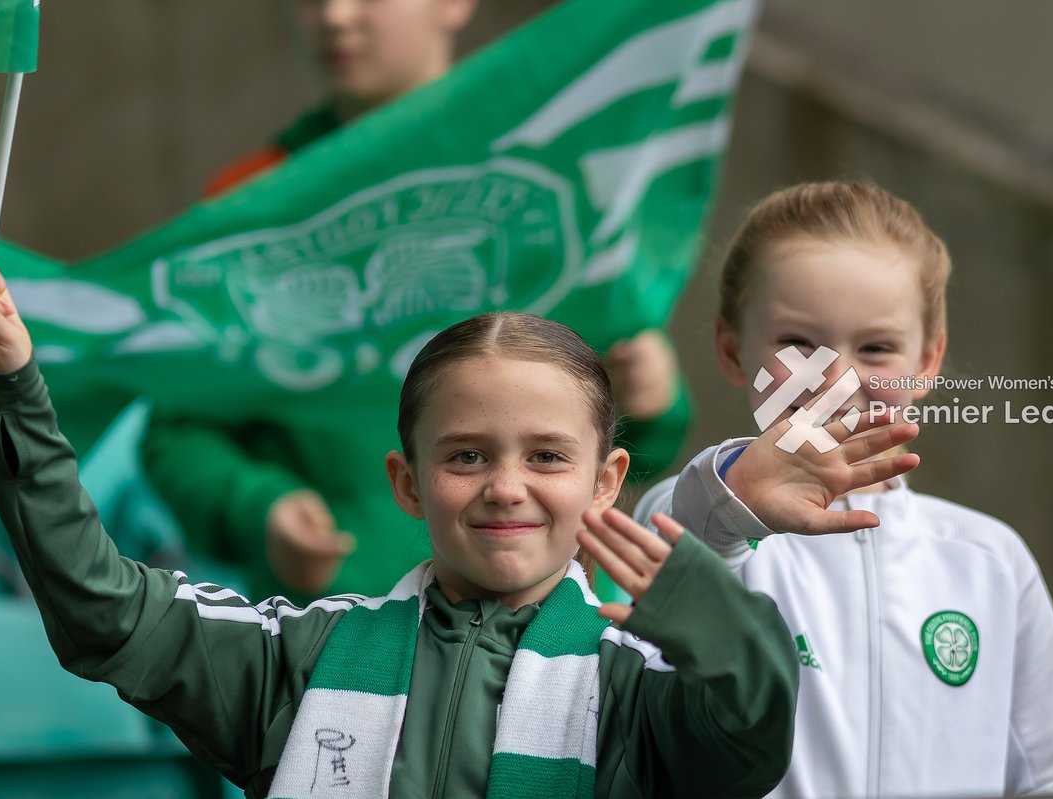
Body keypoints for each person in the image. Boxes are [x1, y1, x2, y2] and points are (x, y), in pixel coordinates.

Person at [0, 260, 923, 798]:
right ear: (407, 483)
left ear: (607, 478)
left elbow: (751, 730)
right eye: (467, 456)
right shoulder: (301, 653)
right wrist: (13, 394)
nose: (506, 486)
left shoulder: (629, 694)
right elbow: (103, 612)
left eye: (546, 455)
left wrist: (704, 607)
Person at [141, 0, 691, 602]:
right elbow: (178, 426)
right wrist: (257, 507)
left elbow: (623, 437)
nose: (335, 17)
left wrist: (653, 395)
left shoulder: (557, 163)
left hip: (548, 635)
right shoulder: (249, 203)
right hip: (338, 636)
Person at [634, 181, 1053, 797]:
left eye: (877, 348)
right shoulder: (695, 513)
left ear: (928, 362)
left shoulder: (990, 559)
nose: (835, 379)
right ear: (732, 349)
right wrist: (734, 496)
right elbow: (697, 527)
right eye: (799, 343)